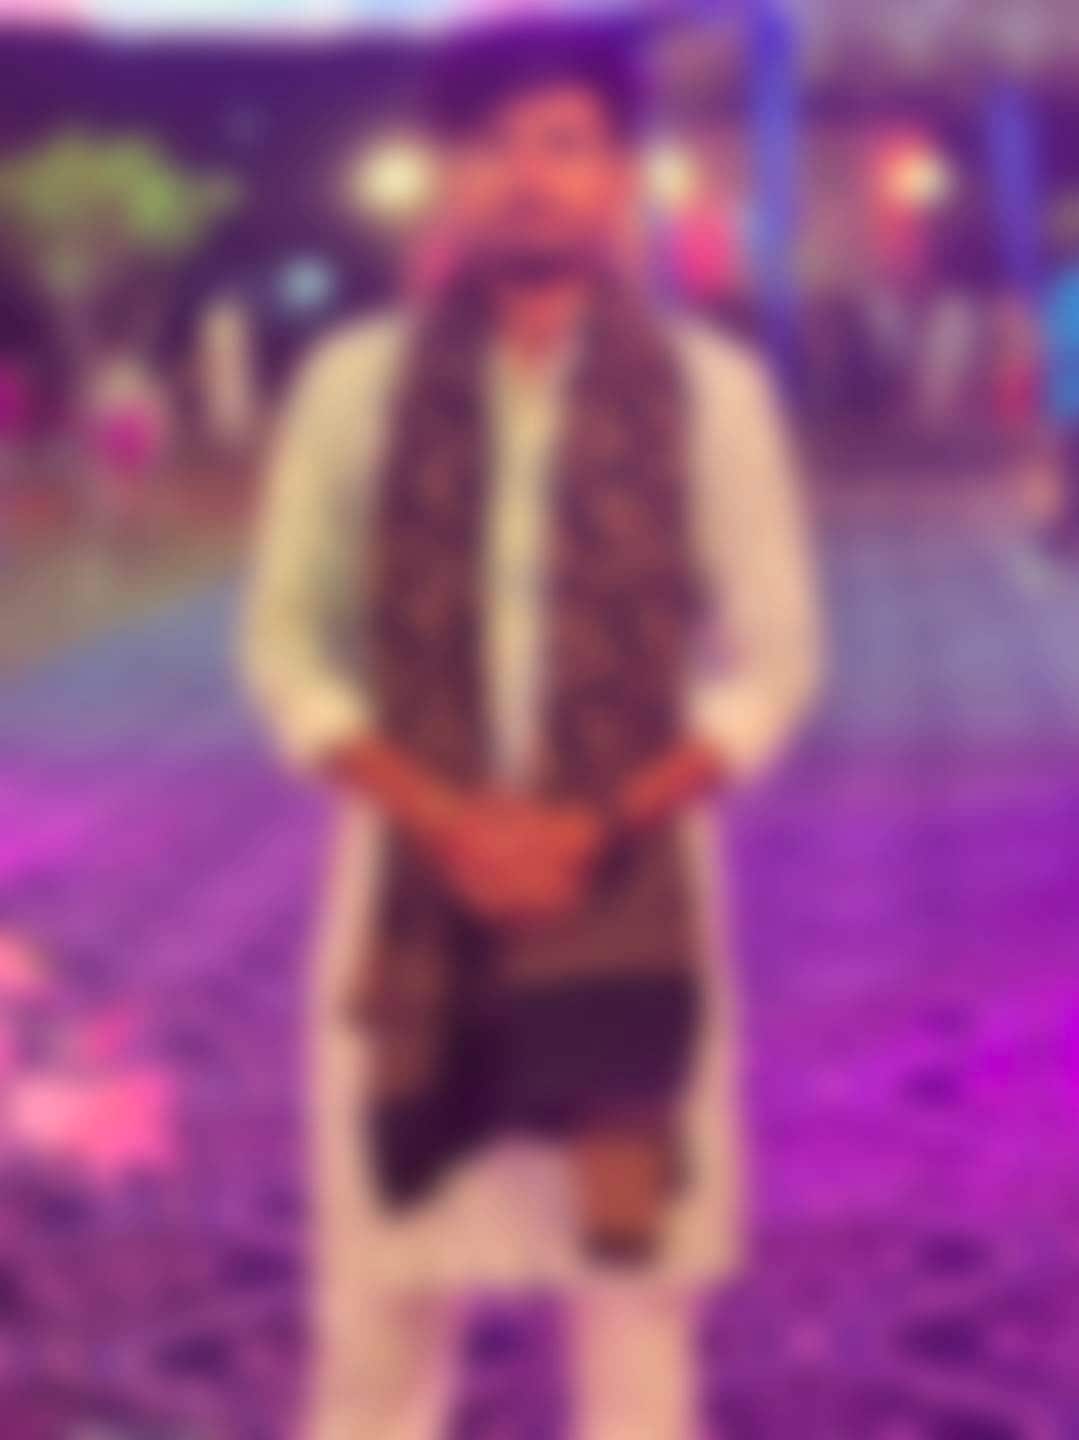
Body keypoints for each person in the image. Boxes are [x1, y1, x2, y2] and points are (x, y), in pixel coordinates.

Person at [241, 21, 823, 1439]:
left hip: (629, 888)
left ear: (621, 175)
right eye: (493, 143)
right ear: (448, 173)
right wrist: (446, 819)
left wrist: (595, 824)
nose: (530, 174)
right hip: (407, 891)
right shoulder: (353, 386)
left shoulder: (712, 393)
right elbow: (286, 645)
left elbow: (774, 664)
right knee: (379, 1313)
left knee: (634, 1311)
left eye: (566, 143)